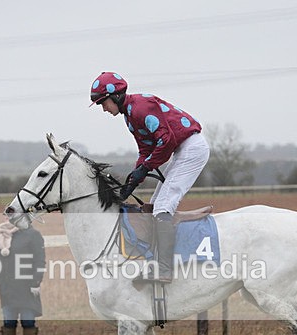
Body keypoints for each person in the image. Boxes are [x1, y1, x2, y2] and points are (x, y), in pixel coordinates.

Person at [90, 71, 210, 282]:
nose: (104, 109)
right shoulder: (129, 117)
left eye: (103, 103)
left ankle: (165, 269)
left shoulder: (141, 108)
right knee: (154, 206)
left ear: (116, 96)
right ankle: (156, 263)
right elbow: (146, 151)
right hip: (181, 149)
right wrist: (133, 180)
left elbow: (166, 142)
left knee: (163, 207)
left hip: (191, 148)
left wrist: (144, 169)